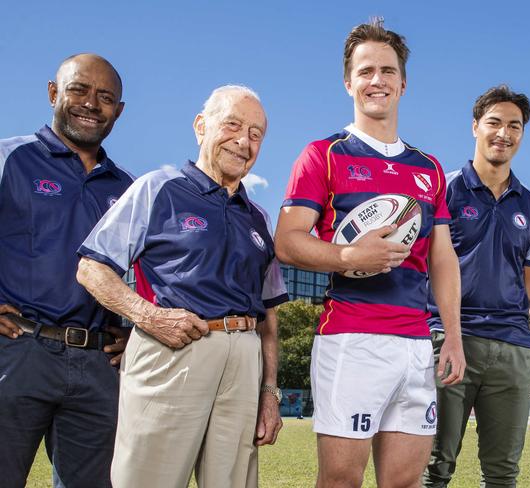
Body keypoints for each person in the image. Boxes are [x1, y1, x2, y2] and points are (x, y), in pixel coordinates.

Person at [275, 18, 465, 488]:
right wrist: (347, 258)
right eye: (365, 71)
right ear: (348, 82)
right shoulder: (325, 154)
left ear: (403, 83)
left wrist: (454, 336)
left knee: (403, 482)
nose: (376, 81)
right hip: (350, 339)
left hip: (417, 343)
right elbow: (287, 240)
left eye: (386, 71)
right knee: (341, 480)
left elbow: (442, 258)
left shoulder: (429, 168)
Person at [76, 84, 288, 488]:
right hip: (173, 349)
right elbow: (91, 268)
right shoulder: (158, 188)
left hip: (244, 362)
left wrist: (270, 393)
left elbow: (270, 318)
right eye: (232, 125)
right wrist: (148, 316)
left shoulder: (258, 217)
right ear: (200, 126)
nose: (244, 141)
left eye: (256, 134)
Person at [0, 54, 132, 488]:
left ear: (119, 110)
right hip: (18, 351)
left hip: (98, 366)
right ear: (54, 93)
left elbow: (143, 274)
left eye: (106, 97)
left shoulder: (129, 189)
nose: (91, 104)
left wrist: (133, 329)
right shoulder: (10, 159)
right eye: (79, 90)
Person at [423, 85, 530, 488]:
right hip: (448, 339)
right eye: (494, 122)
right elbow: (422, 265)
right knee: (433, 467)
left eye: (515, 125)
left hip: (512, 348)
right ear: (475, 126)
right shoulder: (442, 189)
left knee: (502, 474)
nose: (504, 133)